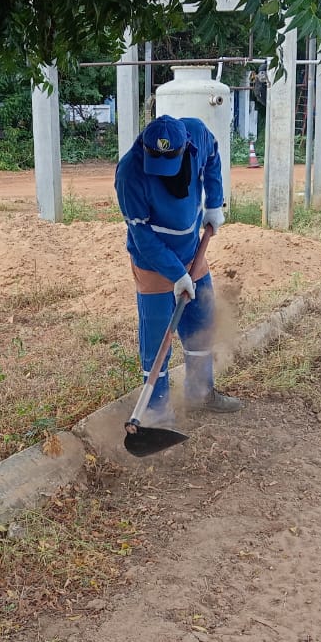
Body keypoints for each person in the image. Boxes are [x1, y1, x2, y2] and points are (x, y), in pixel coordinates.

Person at [114, 115, 244, 420]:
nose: (160, 173)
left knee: (200, 322)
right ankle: (157, 413)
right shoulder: (130, 172)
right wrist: (176, 274)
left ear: (184, 148)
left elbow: (212, 157)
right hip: (153, 263)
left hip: (192, 253)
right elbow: (141, 236)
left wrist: (214, 204)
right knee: (158, 336)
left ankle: (200, 394)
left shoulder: (197, 134)